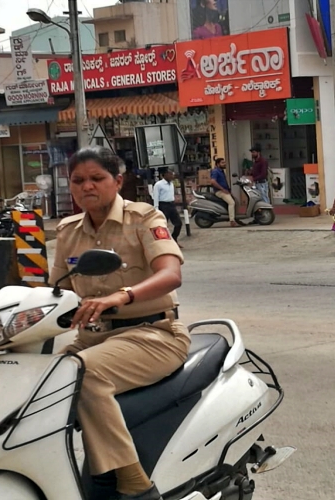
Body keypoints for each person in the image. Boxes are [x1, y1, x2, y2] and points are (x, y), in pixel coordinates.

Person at [50, 147, 190, 500]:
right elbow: (57, 292)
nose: (87, 187)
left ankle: (133, 482)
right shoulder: (67, 231)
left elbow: (171, 274)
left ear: (117, 181)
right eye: (78, 180)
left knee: (84, 373)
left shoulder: (144, 219)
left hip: (152, 333)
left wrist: (121, 296)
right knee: (37, 378)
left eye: (97, 178)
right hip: (92, 339)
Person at [152, 168, 183, 248]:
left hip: (171, 205)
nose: (172, 176)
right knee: (162, 225)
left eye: (172, 174)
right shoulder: (158, 184)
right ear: (164, 175)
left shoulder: (171, 184)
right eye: (170, 174)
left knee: (178, 223)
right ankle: (162, 243)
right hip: (163, 205)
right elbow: (155, 197)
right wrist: (156, 209)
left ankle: (174, 238)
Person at [210, 157, 239, 227]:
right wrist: (222, 189)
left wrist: (229, 191)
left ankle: (235, 217)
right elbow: (213, 181)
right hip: (219, 191)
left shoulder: (221, 171)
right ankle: (232, 221)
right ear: (217, 164)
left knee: (235, 201)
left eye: (224, 162)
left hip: (224, 190)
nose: (224, 164)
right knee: (231, 202)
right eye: (222, 163)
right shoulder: (215, 171)